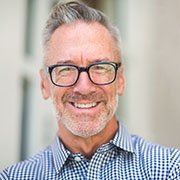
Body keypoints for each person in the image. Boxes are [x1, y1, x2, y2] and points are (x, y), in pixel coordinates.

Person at [0, 1, 180, 179]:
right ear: (44, 84)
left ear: (121, 80)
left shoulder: (171, 169)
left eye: (100, 67)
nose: (84, 87)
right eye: (66, 69)